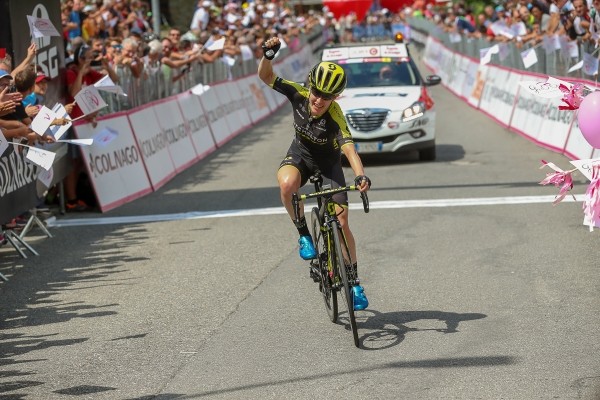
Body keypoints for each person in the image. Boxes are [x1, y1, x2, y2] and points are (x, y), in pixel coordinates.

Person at [258, 36, 371, 310]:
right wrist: (268, 55)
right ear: (310, 86)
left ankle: (354, 282)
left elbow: (349, 150)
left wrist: (360, 176)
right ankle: (304, 234)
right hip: (300, 156)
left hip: (329, 164)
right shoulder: (297, 92)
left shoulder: (335, 116)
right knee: (287, 185)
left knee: (342, 224)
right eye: (316, 92)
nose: (319, 100)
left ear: (336, 97)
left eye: (327, 96)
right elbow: (266, 76)